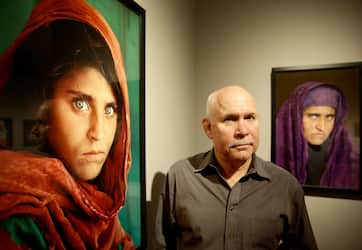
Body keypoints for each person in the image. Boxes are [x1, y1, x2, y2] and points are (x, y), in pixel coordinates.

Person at [0, 0, 134, 249]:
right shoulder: (19, 220)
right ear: (42, 111)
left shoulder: (102, 211)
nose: (98, 133)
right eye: (80, 104)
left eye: (110, 109)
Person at [154, 86, 318, 250]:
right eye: (229, 119)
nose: (243, 131)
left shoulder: (286, 186)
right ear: (208, 128)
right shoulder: (181, 177)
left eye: (250, 117)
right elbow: (162, 245)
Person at [275, 81, 359, 189]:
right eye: (313, 116)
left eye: (329, 117)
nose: (322, 127)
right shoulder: (276, 154)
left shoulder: (348, 159)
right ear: (296, 117)